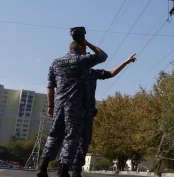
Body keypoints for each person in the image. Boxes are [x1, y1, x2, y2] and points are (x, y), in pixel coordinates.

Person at [37, 40, 108, 177]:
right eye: (84, 48)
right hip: (74, 106)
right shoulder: (81, 60)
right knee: (71, 137)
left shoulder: (56, 62)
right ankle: (63, 170)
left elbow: (50, 86)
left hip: (59, 105)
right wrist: (87, 42)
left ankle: (42, 167)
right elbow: (102, 56)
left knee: (54, 135)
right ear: (81, 47)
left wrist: (50, 106)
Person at [71, 53, 137, 177]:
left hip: (78, 112)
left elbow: (111, 73)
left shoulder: (87, 73)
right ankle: (70, 169)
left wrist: (126, 62)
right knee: (77, 142)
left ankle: (73, 169)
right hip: (78, 113)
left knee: (79, 142)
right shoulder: (80, 72)